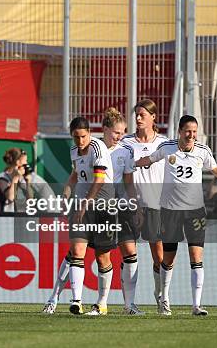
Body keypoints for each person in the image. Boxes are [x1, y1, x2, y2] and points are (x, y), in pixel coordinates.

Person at [135, 115, 217, 316]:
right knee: (168, 259)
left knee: (196, 257)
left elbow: (215, 170)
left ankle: (196, 305)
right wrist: (131, 164)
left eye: (195, 131)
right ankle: (164, 300)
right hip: (170, 211)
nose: (191, 135)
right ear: (180, 131)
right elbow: (149, 160)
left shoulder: (202, 151)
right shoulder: (168, 147)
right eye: (188, 131)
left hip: (195, 212)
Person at [44, 116, 114, 316]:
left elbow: (99, 180)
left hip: (103, 206)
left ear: (89, 134)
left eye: (83, 136)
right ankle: (77, 301)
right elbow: (76, 173)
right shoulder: (74, 150)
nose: (80, 141)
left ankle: (102, 303)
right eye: (76, 137)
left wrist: (85, 204)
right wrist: (66, 192)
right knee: (77, 250)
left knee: (102, 258)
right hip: (81, 206)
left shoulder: (97, 148)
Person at [90, 107, 144, 316]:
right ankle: (101, 304)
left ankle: (129, 305)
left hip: (122, 208)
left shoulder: (126, 151)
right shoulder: (94, 147)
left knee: (130, 252)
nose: (120, 137)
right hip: (102, 209)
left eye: (123, 133)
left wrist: (136, 207)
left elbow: (129, 183)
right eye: (116, 133)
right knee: (103, 256)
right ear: (104, 129)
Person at [121, 99, 168, 310]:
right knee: (129, 253)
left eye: (142, 115)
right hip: (130, 205)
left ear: (153, 117)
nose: (138, 118)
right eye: (136, 115)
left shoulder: (164, 144)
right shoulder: (125, 143)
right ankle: (129, 303)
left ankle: (161, 296)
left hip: (155, 205)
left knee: (159, 255)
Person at [0, 148, 30, 212]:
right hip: (6, 217)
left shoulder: (24, 177)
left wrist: (28, 182)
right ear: (18, 162)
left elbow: (30, 200)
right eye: (25, 160)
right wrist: (16, 177)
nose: (26, 163)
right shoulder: (2, 177)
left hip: (21, 216)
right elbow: (10, 197)